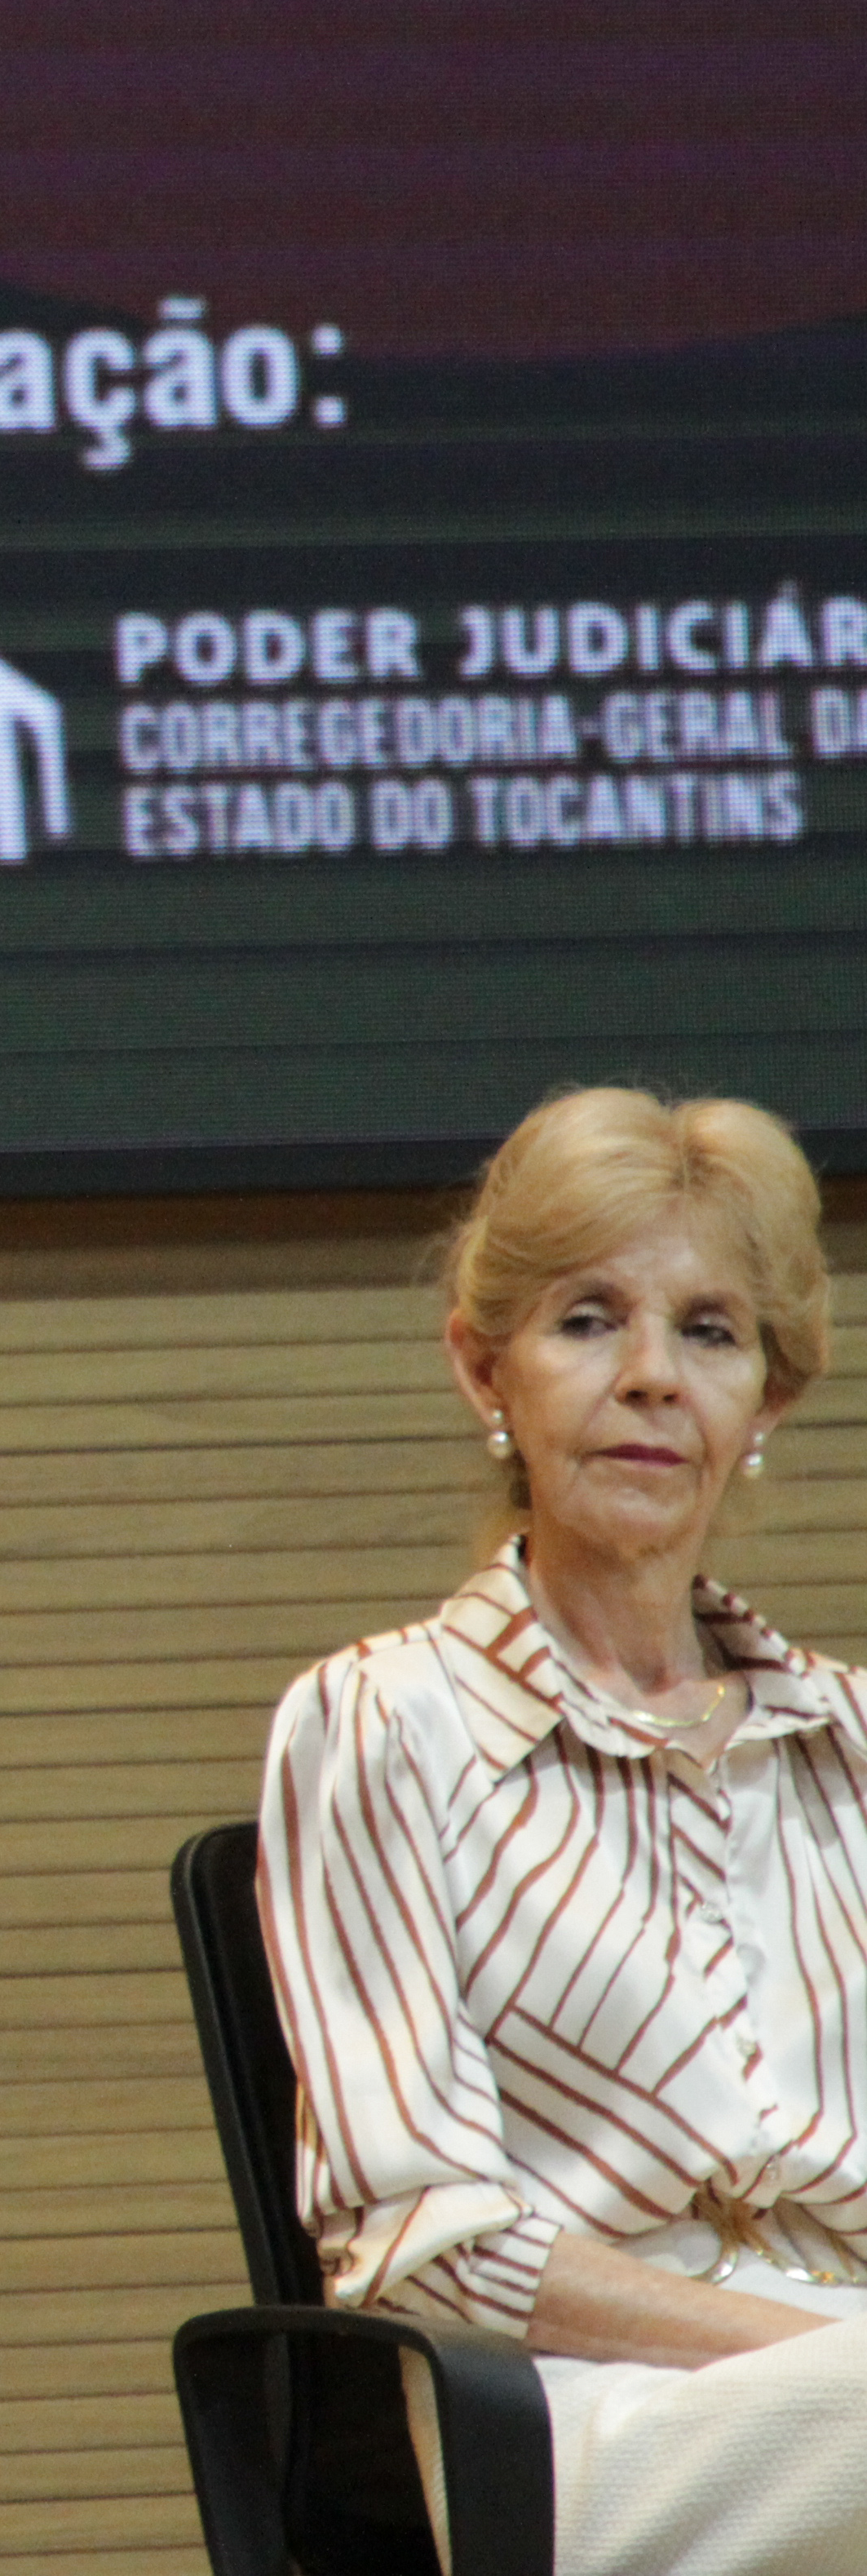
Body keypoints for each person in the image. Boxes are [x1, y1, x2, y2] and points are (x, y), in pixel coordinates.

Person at [259, 1085, 854, 2576]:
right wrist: (810, 2351)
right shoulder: (383, 1721)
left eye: (709, 1333)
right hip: (583, 2407)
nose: (652, 1377)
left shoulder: (849, 1738)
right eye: (590, 1322)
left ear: (768, 1400)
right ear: (486, 1368)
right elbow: (421, 2244)